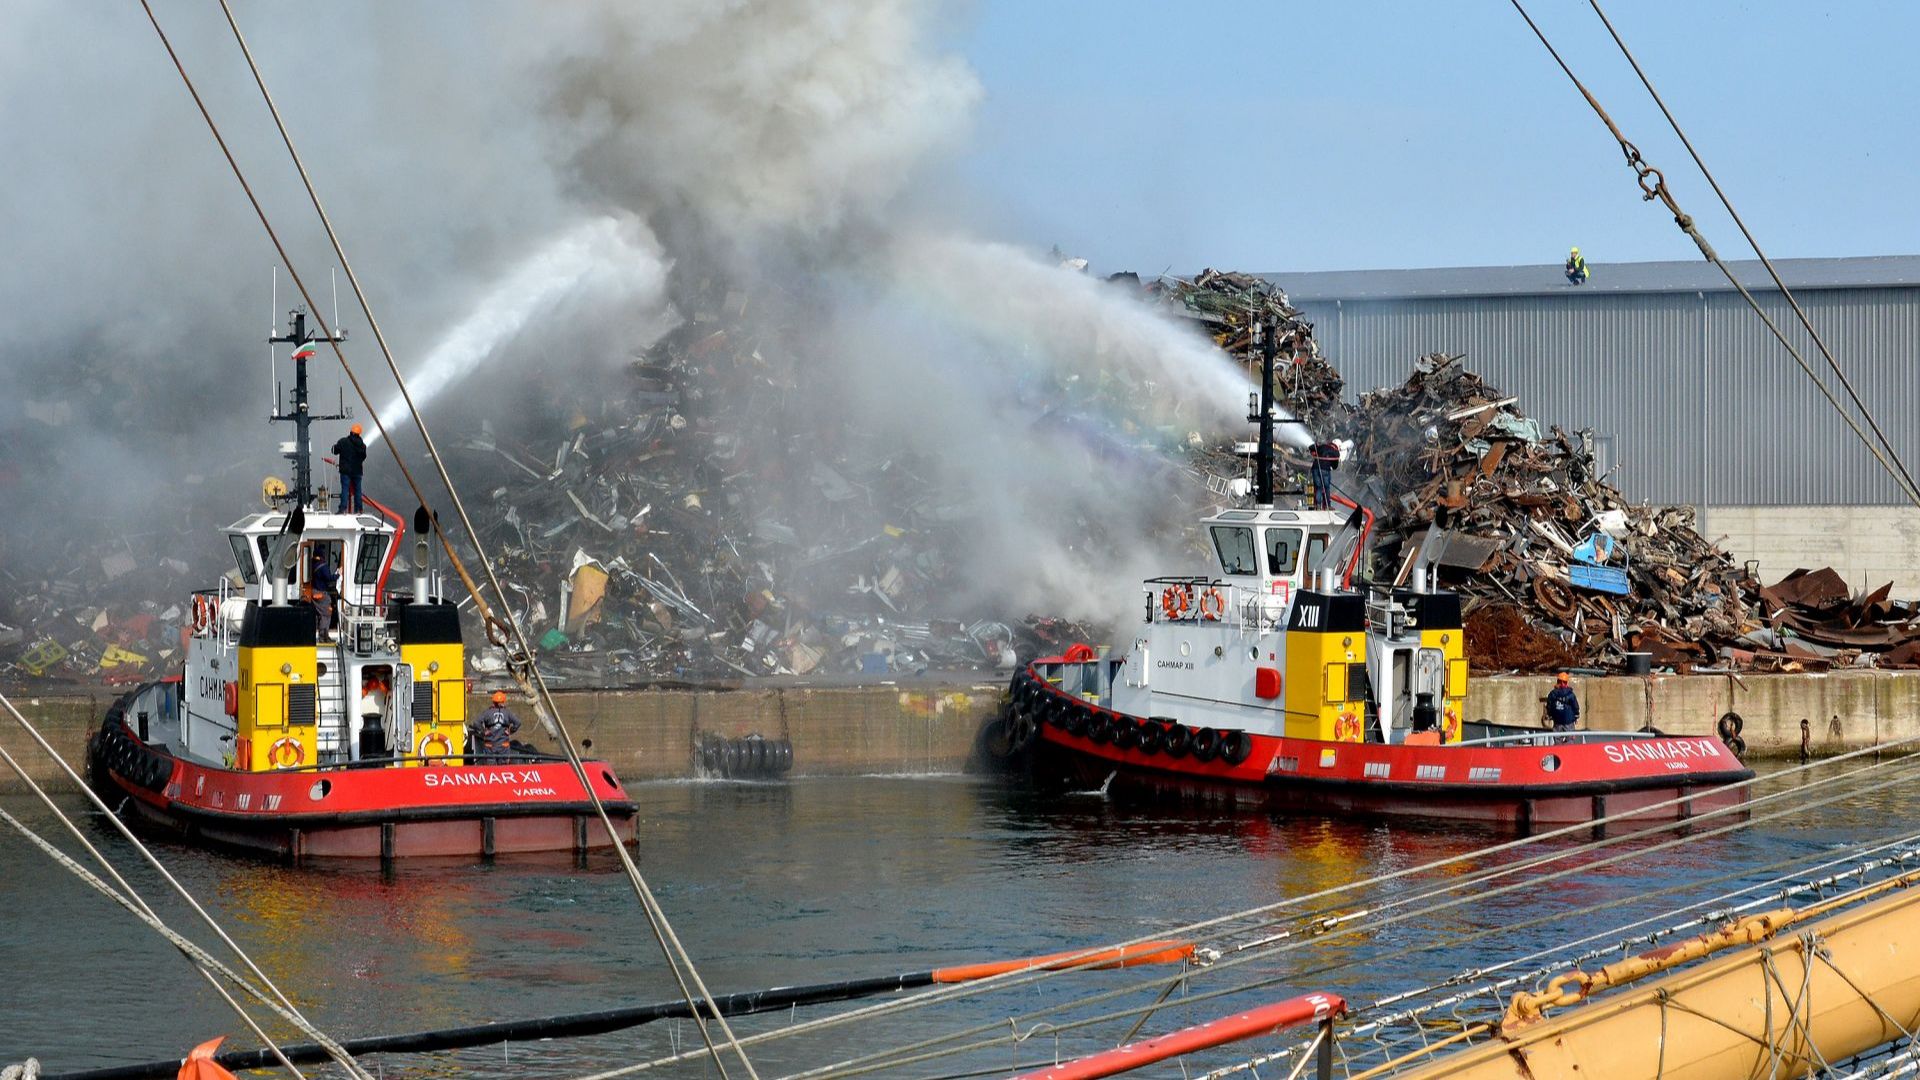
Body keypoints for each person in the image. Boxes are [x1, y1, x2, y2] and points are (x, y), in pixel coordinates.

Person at [468, 690, 522, 762]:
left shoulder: (487, 712)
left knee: (491, 768)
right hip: (503, 746)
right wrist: (510, 731)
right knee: (502, 768)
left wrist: (484, 731)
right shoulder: (507, 713)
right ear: (503, 701)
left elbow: (476, 723)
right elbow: (518, 723)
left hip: (490, 746)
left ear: (493, 701)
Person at [332, 423, 367, 513]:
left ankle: (342, 508)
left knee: (345, 489)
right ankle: (359, 509)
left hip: (346, 471)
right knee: (358, 491)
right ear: (359, 434)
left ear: (351, 432)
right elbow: (363, 457)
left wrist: (334, 447)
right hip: (357, 472)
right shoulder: (362, 445)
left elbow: (334, 451)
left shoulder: (343, 441)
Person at [307, 549, 340, 634]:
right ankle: (323, 635)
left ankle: (321, 633)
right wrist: (338, 575)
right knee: (326, 614)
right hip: (321, 593)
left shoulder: (312, 565)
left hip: (314, 592)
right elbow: (329, 578)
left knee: (320, 614)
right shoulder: (323, 566)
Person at [1309, 440, 1342, 510]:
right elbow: (1335, 466)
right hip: (1325, 470)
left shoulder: (1322, 446)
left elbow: (1311, 447)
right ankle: (1327, 506)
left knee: (1318, 487)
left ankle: (1317, 505)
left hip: (1315, 468)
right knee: (1326, 488)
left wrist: (1315, 446)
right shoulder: (1336, 452)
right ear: (1338, 446)